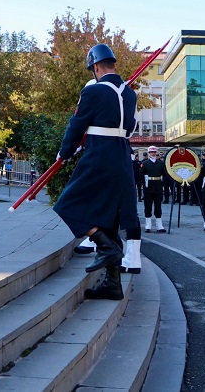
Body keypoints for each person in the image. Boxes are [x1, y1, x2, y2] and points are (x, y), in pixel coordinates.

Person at [52, 43, 138, 301]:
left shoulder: (94, 91)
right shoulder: (130, 94)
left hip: (100, 154)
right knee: (109, 217)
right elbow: (130, 125)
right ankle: (113, 284)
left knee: (66, 204)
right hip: (122, 155)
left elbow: (78, 123)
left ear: (96, 67)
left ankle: (105, 246)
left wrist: (64, 153)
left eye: (93, 69)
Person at [140, 145, 166, 233]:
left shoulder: (160, 163)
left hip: (158, 186)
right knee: (148, 206)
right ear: (149, 153)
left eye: (154, 152)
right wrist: (143, 185)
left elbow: (164, 174)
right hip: (148, 187)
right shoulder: (145, 163)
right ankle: (148, 225)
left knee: (158, 206)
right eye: (151, 152)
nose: (153, 153)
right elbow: (141, 175)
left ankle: (159, 226)